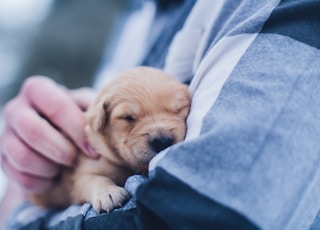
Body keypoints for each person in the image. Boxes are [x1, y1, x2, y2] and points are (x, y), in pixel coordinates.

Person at [1, 0, 320, 229]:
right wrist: (29, 153)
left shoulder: (280, 9)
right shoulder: (137, 13)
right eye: (129, 118)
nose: (161, 133)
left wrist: (19, 218)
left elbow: (196, 216)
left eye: (178, 110)